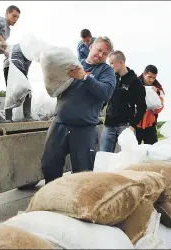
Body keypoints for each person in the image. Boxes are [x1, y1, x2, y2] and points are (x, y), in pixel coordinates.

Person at [41, 36, 116, 184]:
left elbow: (106, 92)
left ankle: (81, 205)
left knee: (83, 174)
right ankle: (53, 200)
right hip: (60, 123)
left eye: (105, 54)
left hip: (85, 128)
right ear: (91, 47)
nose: (100, 55)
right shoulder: (74, 64)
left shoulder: (106, 71)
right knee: (49, 165)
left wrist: (85, 78)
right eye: (99, 50)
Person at [100, 51, 147, 152]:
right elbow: (105, 97)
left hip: (126, 126)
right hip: (109, 125)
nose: (110, 66)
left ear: (120, 63)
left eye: (112, 63)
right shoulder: (111, 78)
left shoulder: (135, 82)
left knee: (127, 159)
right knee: (103, 156)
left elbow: (142, 107)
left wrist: (133, 126)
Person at [3, 44, 34, 122]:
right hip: (16, 64)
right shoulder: (29, 51)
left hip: (7, 65)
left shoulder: (17, 45)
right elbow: (25, 68)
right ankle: (27, 116)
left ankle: (8, 118)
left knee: (10, 90)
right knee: (27, 89)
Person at [136, 65, 165, 144]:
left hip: (150, 126)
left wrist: (154, 95)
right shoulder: (134, 84)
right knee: (132, 153)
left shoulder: (158, 89)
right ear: (144, 74)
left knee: (153, 152)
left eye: (154, 78)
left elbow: (158, 109)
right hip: (135, 125)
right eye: (149, 77)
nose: (152, 80)